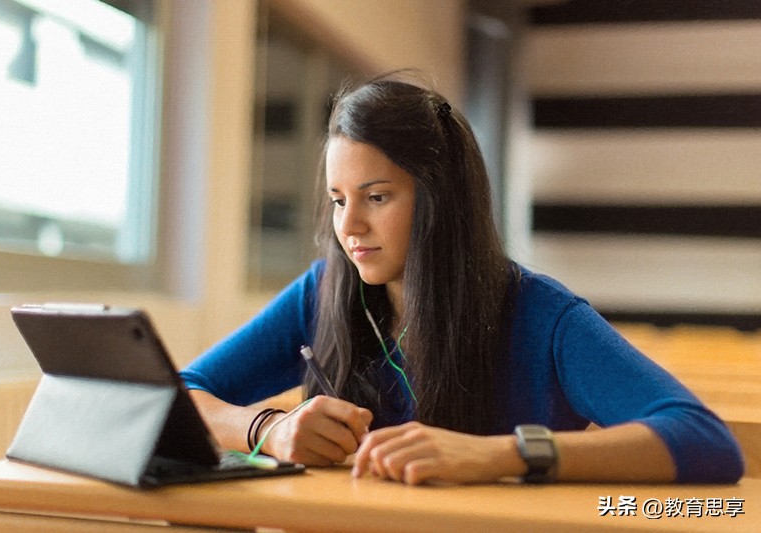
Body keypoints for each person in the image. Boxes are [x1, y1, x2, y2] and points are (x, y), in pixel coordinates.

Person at [180, 73, 744, 486]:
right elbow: (175, 393)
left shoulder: (540, 316)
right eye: (336, 200)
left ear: (439, 201)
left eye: (376, 197)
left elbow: (707, 442)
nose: (348, 226)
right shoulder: (323, 290)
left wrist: (503, 454)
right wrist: (265, 430)